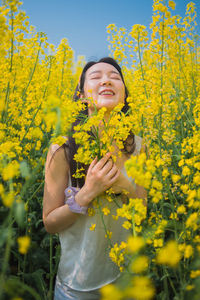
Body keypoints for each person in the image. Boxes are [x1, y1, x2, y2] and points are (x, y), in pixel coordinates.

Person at [43, 57, 147, 300]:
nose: (106, 80)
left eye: (114, 76)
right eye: (96, 76)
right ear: (81, 95)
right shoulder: (62, 149)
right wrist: (86, 193)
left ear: (124, 95)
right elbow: (49, 223)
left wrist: (123, 186)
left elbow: (142, 211)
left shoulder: (139, 147)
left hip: (127, 281)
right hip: (77, 288)